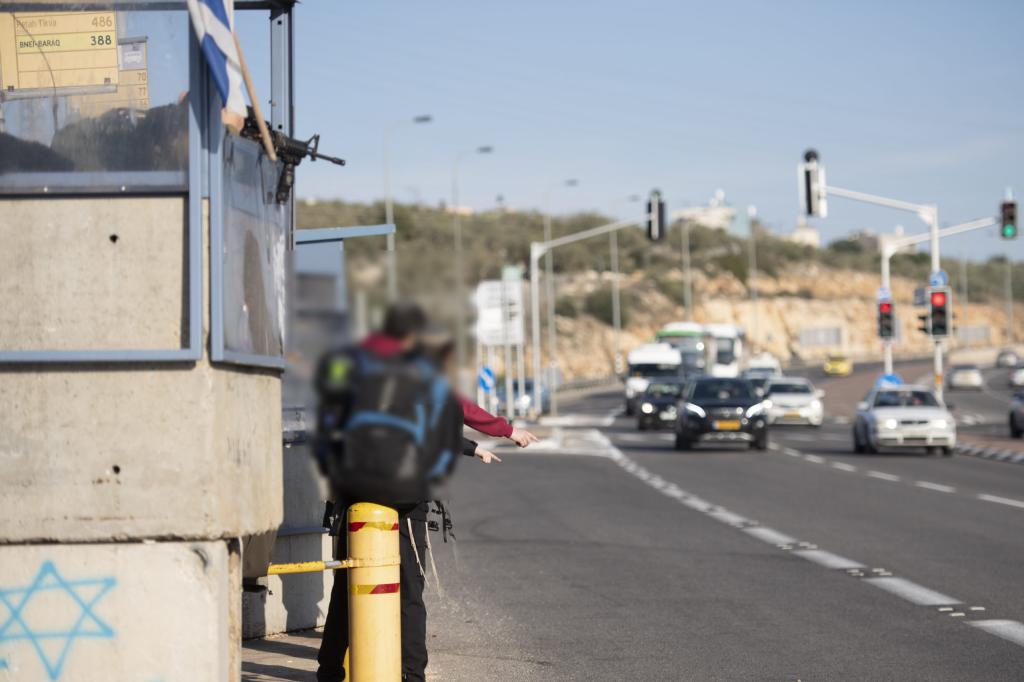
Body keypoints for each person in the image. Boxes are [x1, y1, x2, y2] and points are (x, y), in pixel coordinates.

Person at [315, 303, 531, 681]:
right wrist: (503, 431)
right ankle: (412, 675)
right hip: (406, 496)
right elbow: (455, 412)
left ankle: (329, 672)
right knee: (410, 595)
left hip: (356, 494)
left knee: (346, 587)